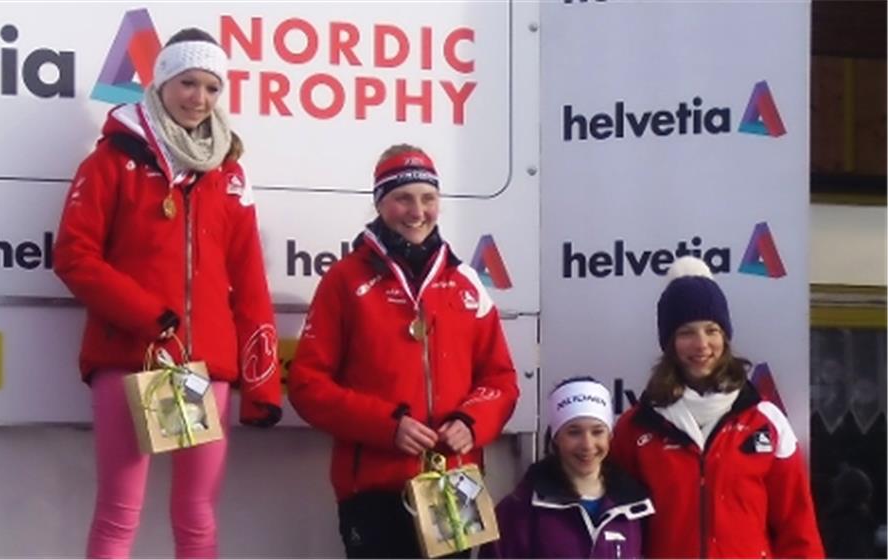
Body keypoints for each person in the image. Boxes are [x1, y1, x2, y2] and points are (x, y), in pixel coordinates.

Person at [52, 27, 282, 559]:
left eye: (211, 87)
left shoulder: (228, 173)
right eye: (188, 84)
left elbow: (249, 279)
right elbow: (74, 256)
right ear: (160, 84)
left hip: (206, 370)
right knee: (118, 512)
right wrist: (148, 315)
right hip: (128, 358)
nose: (199, 99)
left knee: (198, 517)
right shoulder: (109, 162)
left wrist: (263, 382)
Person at [287, 144, 520, 559]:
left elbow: (500, 380)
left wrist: (472, 421)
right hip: (374, 488)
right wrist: (386, 425)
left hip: (454, 482)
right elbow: (307, 385)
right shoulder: (344, 280)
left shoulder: (465, 280)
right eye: (403, 199)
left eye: (428, 199)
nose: (417, 211)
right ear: (380, 204)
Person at [609, 256, 824, 558]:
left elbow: (797, 528)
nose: (701, 344)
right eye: (686, 333)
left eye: (712, 330)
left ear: (725, 336)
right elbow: (617, 532)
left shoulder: (765, 422)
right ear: (669, 343)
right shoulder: (637, 427)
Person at [487, 377, 654, 558]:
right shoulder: (519, 509)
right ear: (556, 437)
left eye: (597, 431)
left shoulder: (636, 507)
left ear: (610, 436)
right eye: (574, 432)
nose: (587, 445)